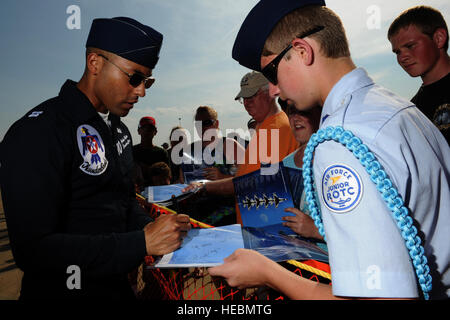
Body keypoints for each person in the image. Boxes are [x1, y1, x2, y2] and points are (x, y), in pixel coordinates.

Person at [209, 0, 450, 300]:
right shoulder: (398, 108)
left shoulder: (339, 141)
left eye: (272, 74)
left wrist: (268, 273)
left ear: (302, 52)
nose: (273, 90)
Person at [0, 17, 191, 300]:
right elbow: (33, 250)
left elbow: (122, 202)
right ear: (95, 64)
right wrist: (140, 244)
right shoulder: (38, 130)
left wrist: (149, 228)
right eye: (135, 78)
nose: (141, 91)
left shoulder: (119, 131)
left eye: (147, 81)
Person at [183, 72, 298, 226]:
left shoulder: (272, 130)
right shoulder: (271, 125)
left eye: (252, 96)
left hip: (266, 226)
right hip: (266, 220)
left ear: (271, 92)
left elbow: (247, 183)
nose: (247, 103)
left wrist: (205, 186)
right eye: (244, 98)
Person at [388, 5, 450, 145]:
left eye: (410, 46)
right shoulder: (412, 110)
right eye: (397, 52)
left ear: (439, 38)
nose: (402, 57)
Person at [281, 104, 322, 240]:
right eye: (292, 113)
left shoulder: (337, 162)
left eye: (303, 112)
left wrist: (316, 230)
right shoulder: (285, 164)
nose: (296, 119)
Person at [133, 116, 170, 189]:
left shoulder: (162, 153)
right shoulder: (131, 151)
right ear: (139, 131)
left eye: (150, 129)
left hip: (157, 192)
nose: (147, 131)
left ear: (155, 132)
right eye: (144, 128)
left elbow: (167, 176)